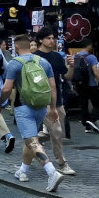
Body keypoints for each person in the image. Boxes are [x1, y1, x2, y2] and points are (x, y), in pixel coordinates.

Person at [0, 35, 64, 193]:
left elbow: (7, 89)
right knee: (30, 138)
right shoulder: (43, 62)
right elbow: (53, 87)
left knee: (33, 142)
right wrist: (53, 108)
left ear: (17, 47)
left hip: (23, 107)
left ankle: (52, 172)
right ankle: (23, 171)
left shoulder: (14, 64)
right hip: (41, 106)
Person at [31, 30, 75, 176]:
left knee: (56, 132)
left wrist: (71, 66)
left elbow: (67, 77)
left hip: (58, 100)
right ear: (40, 40)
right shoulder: (35, 58)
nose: (52, 41)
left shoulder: (56, 57)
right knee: (56, 132)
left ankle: (34, 142)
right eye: (48, 38)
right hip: (42, 100)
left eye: (53, 38)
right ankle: (62, 163)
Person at [71, 42, 99, 133]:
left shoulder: (75, 56)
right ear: (89, 45)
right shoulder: (91, 57)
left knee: (84, 105)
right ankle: (92, 120)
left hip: (80, 84)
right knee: (98, 104)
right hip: (91, 84)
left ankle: (87, 126)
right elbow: (95, 71)